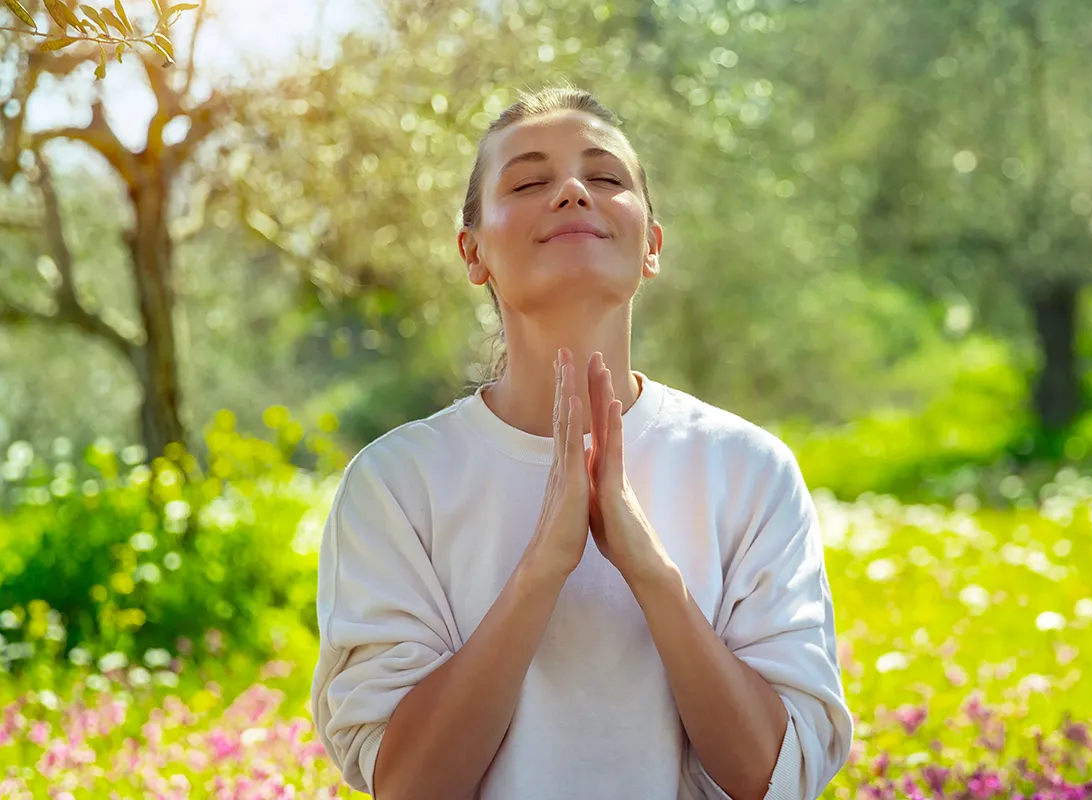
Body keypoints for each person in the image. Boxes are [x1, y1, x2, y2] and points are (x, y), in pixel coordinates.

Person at [310, 85, 853, 800]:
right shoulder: (395, 484)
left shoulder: (749, 470)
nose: (571, 192)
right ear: (472, 252)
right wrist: (542, 569)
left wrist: (650, 571)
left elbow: (771, 774)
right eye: (530, 181)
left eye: (605, 178)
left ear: (651, 246)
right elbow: (407, 784)